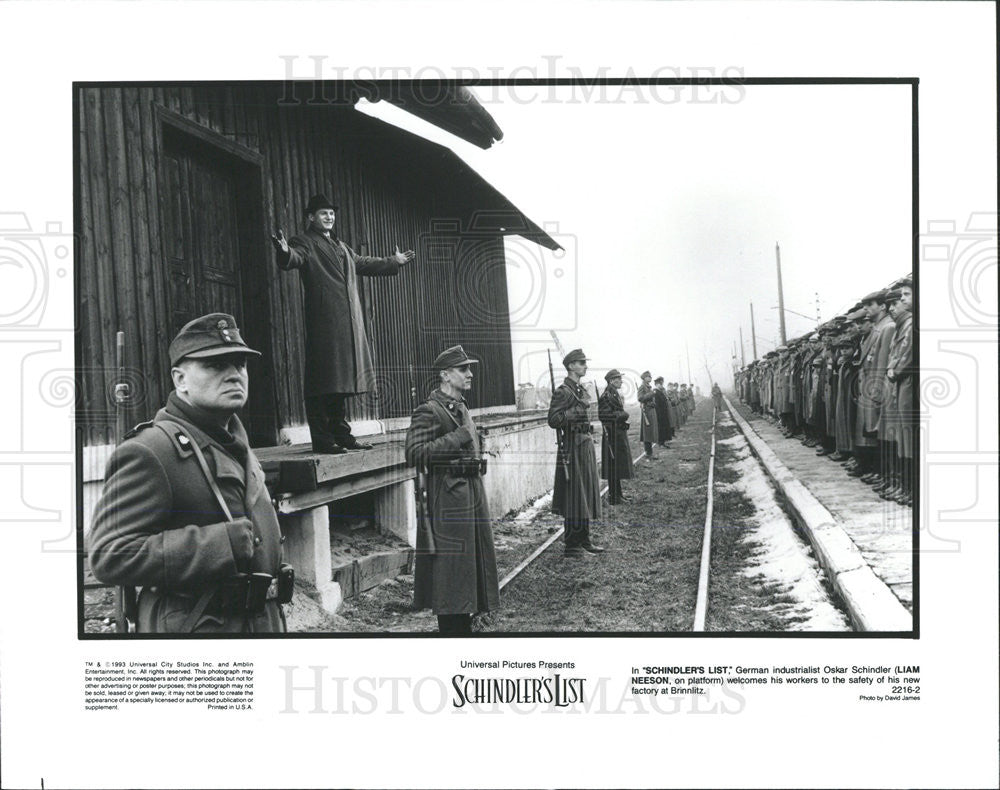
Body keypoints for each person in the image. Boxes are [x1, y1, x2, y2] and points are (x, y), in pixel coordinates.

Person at [87, 313, 290, 633]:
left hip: (257, 624)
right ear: (180, 379)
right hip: (195, 629)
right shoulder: (152, 450)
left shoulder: (235, 442)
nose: (234, 374)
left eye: (240, 364)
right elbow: (109, 555)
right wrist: (219, 544)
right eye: (215, 365)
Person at [272, 193, 415, 454]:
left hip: (346, 325)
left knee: (338, 384)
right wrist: (284, 252)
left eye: (332, 213)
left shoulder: (341, 246)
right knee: (322, 381)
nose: (329, 217)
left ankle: (343, 436)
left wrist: (393, 262)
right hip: (325, 323)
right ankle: (324, 441)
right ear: (311, 217)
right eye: (323, 213)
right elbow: (295, 257)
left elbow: (362, 263)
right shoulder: (304, 241)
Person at [404, 345, 499, 635]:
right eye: (463, 369)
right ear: (445, 375)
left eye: (469, 368)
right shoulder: (429, 411)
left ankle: (464, 629)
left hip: (471, 493)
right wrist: (459, 437)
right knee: (452, 574)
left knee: (469, 570)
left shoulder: (461, 407)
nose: (470, 374)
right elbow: (414, 453)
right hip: (448, 501)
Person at [548, 349, 604, 558]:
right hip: (571, 446)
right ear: (571, 366)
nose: (585, 366)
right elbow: (553, 419)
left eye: (584, 362)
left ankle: (584, 539)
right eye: (581, 363)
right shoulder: (563, 391)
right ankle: (572, 545)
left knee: (586, 491)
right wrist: (577, 411)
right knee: (573, 495)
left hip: (584, 444)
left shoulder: (579, 390)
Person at [598, 369, 635, 505]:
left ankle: (618, 495)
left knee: (617, 465)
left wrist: (620, 415)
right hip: (612, 436)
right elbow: (604, 416)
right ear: (612, 380)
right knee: (613, 466)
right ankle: (614, 497)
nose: (621, 381)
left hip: (617, 434)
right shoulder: (606, 396)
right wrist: (622, 415)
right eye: (618, 379)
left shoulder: (613, 394)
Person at [636, 371, 659, 458]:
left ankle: (650, 452)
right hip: (647, 411)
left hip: (651, 410)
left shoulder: (648, 387)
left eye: (650, 376)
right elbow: (640, 398)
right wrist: (651, 394)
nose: (650, 378)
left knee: (650, 431)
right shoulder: (642, 387)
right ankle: (648, 453)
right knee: (647, 433)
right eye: (648, 377)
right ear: (644, 378)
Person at [653, 376, 673, 446]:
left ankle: (663, 441)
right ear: (656, 384)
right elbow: (657, 403)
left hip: (664, 412)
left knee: (664, 426)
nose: (661, 385)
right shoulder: (655, 392)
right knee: (660, 427)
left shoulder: (661, 392)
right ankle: (660, 442)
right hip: (659, 412)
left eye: (661, 384)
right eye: (660, 384)